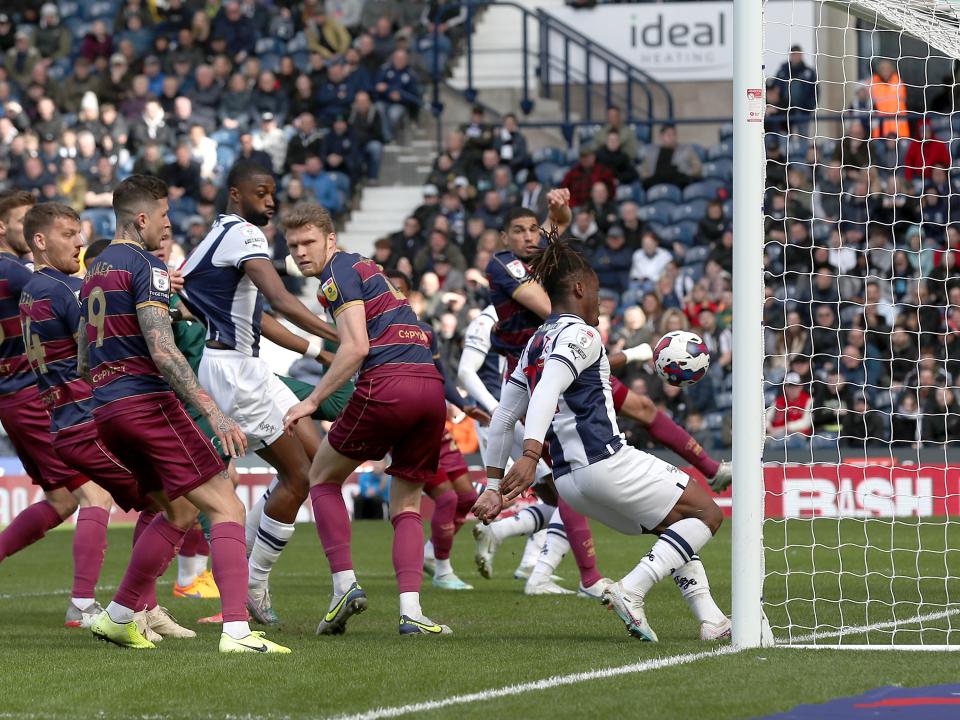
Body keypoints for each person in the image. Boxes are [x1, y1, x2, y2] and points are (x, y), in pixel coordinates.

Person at [473, 235, 730, 642]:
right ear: (578, 289)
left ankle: (712, 619)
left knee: (675, 526)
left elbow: (504, 414)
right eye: (595, 293)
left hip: (570, 484)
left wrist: (491, 485)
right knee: (707, 514)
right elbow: (547, 390)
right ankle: (632, 588)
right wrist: (528, 453)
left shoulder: (535, 341)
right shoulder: (581, 334)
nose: (600, 304)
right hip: (606, 463)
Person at [79, 174, 287, 653]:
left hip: (106, 408)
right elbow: (164, 350)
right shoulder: (147, 266)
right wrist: (212, 411)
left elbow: (85, 355)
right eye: (166, 216)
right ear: (143, 219)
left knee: (180, 509)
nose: (169, 225)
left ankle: (119, 615)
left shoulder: (96, 268)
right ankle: (237, 631)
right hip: (145, 402)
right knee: (228, 505)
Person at [18, 202, 192, 640]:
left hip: (67, 419)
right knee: (172, 506)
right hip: (85, 421)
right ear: (40, 241)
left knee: (159, 503)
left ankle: (141, 608)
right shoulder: (64, 292)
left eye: (81, 233)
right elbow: (104, 341)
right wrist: (156, 297)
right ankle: (123, 610)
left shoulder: (35, 289)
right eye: (69, 234)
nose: (80, 242)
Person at [180, 159, 340, 626]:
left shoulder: (214, 238)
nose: (270, 201)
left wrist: (321, 346)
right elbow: (282, 301)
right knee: (300, 476)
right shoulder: (245, 236)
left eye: (273, 192)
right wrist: (344, 337)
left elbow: (248, 315)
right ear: (236, 194)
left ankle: (248, 568)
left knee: (318, 465)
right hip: (235, 372)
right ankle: (250, 582)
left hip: (241, 367)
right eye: (261, 192)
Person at [282, 202, 452, 636]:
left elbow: (355, 346)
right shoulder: (366, 267)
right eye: (293, 245)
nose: (301, 252)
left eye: (308, 242)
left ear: (330, 240)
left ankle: (343, 585)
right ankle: (412, 612)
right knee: (408, 503)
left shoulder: (336, 274)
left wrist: (311, 401)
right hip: (429, 387)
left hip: (388, 384)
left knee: (320, 477)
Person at [0, 192, 115, 629]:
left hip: (20, 397)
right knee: (97, 494)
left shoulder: (16, 277)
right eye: (18, 220)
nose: (24, 224)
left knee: (62, 499)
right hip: (38, 396)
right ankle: (83, 603)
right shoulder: (18, 272)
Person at [385, 269, 488, 591]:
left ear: (410, 295)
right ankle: (442, 568)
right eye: (387, 290)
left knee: (468, 497)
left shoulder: (424, 332)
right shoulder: (373, 333)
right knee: (445, 500)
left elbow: (439, 372)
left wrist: (462, 403)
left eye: (399, 290)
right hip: (405, 431)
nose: (394, 296)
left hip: (436, 426)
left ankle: (432, 553)